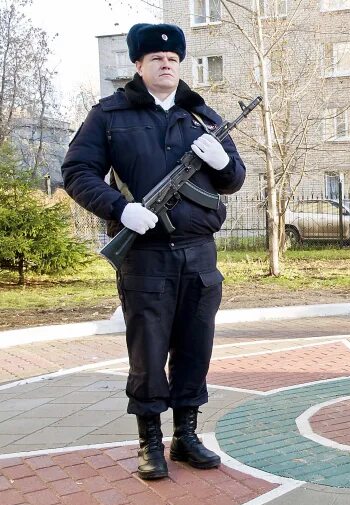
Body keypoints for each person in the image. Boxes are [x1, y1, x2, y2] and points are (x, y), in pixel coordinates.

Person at [62, 23, 246, 479]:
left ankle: (185, 436)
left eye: (173, 59)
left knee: (195, 346)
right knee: (147, 349)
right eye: (156, 59)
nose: (166, 64)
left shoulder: (201, 116)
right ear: (138, 65)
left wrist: (223, 161)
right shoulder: (109, 115)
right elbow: (77, 171)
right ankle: (150, 442)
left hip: (199, 254)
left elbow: (234, 178)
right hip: (145, 257)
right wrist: (121, 210)